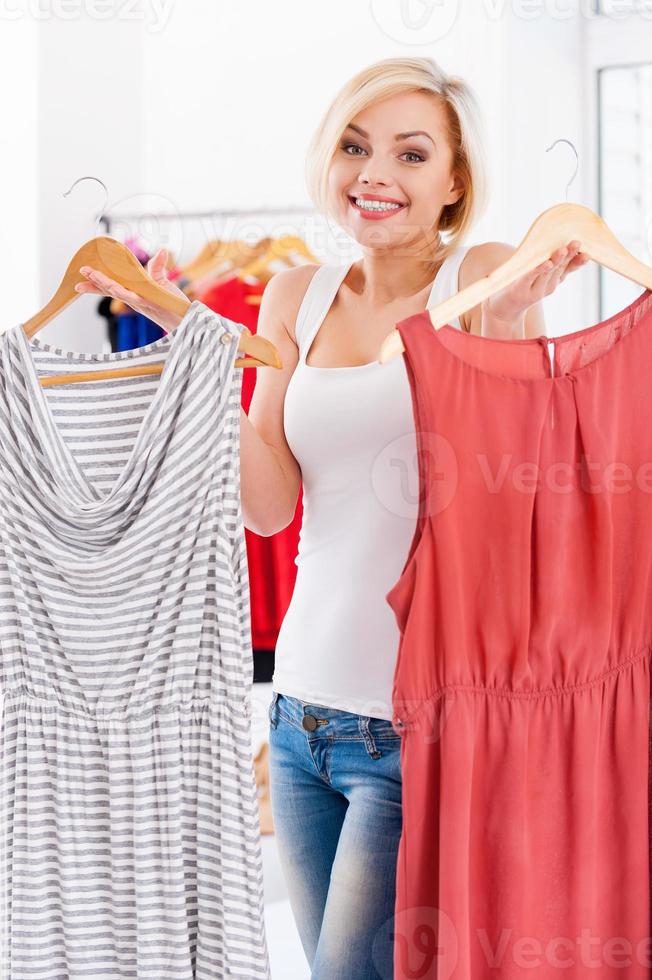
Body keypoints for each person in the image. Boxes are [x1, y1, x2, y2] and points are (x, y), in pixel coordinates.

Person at [75, 56, 588, 980]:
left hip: (413, 725)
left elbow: (519, 501)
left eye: (410, 153)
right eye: (356, 145)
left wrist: (508, 333)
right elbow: (270, 510)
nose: (375, 173)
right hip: (297, 718)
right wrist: (201, 375)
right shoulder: (294, 295)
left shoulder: (475, 280)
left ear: (454, 182)